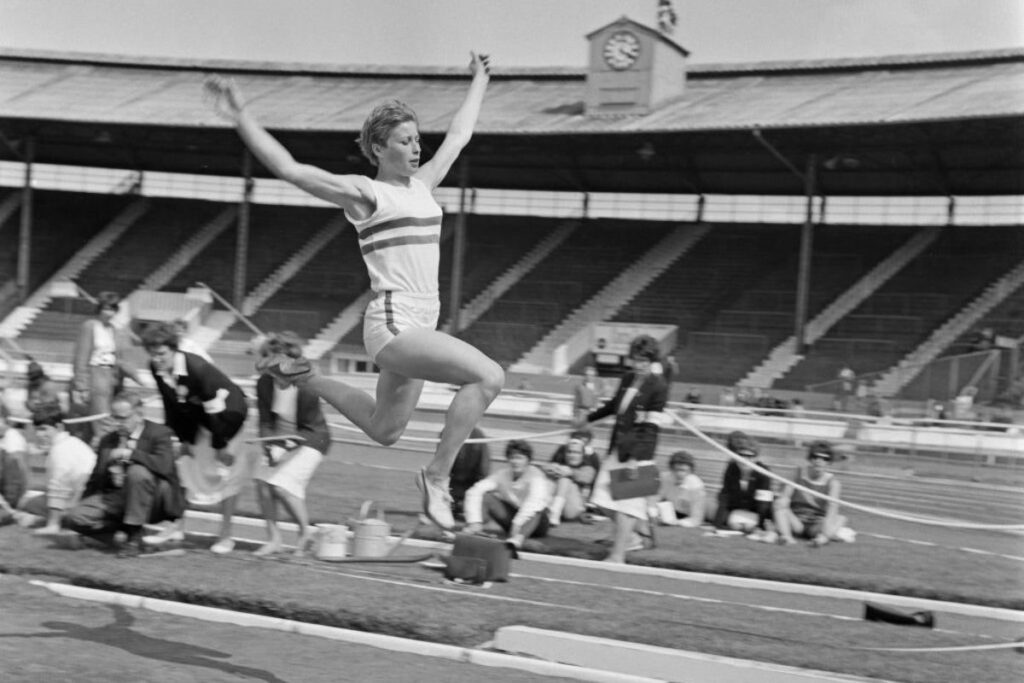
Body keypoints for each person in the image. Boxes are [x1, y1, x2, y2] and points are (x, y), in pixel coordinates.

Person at [204, 52, 503, 532]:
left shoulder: (423, 187)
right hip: (393, 324)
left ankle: (300, 375)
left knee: (386, 429)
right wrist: (242, 116)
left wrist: (481, 80)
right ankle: (437, 477)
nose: (416, 148)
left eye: (417, 139)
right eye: (405, 141)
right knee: (488, 377)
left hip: (420, 324)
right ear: (380, 149)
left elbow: (460, 136)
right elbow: (292, 170)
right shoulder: (366, 194)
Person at [142, 322, 251, 554]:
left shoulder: (196, 367)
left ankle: (226, 536)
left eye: (161, 354)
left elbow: (215, 409)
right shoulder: (156, 367)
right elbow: (170, 405)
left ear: (174, 349)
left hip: (229, 416)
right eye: (152, 354)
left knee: (226, 474)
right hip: (201, 417)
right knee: (182, 467)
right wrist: (181, 439)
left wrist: (222, 444)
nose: (157, 359)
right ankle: (175, 526)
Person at [63, 391, 186, 557]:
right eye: (115, 418)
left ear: (139, 414)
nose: (118, 423)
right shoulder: (107, 440)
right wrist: (81, 509)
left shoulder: (160, 433)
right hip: (116, 498)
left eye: (123, 418)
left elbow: (164, 466)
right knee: (72, 517)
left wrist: (130, 454)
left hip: (154, 498)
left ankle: (133, 539)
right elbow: (95, 479)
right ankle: (122, 537)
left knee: (137, 472)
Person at [581, 335, 670, 563]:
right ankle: (637, 535)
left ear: (651, 360)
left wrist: (636, 458)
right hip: (618, 447)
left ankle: (618, 555)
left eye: (643, 360)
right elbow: (613, 406)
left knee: (626, 505)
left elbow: (651, 428)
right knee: (601, 499)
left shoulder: (659, 386)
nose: (638, 365)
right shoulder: (628, 377)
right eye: (635, 359)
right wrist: (588, 419)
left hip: (638, 453)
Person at [252, 332, 331, 557]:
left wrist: (285, 453)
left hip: (312, 438)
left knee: (281, 485)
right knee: (261, 481)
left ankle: (305, 535)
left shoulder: (306, 387)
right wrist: (269, 449)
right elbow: (265, 421)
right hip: (279, 438)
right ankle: (274, 539)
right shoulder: (264, 383)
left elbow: (307, 427)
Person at [71, 291, 144, 443]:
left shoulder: (115, 330)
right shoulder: (90, 326)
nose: (108, 313)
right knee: (103, 420)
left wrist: (138, 378)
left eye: (111, 309)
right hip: (96, 376)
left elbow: (122, 359)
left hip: (112, 377)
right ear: (99, 309)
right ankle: (106, 447)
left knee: (106, 416)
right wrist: (81, 386)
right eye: (105, 308)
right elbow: (81, 357)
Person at [17, 405, 97, 534]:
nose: (39, 434)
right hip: (82, 495)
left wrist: (52, 525)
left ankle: (54, 522)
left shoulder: (60, 451)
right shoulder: (71, 442)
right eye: (37, 430)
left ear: (59, 427)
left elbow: (59, 487)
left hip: (81, 499)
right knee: (30, 502)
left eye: (44, 429)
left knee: (26, 503)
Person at [463, 440, 552, 548]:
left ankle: (519, 539)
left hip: (537, 523)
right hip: (513, 519)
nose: (515, 462)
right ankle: (474, 531)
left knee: (538, 508)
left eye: (519, 458)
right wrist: (474, 521)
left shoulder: (536, 476)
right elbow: (474, 491)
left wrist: (517, 523)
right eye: (512, 457)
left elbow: (534, 502)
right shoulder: (502, 474)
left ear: (528, 460)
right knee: (486, 497)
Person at [773, 440, 853, 547]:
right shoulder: (797, 473)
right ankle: (787, 537)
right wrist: (783, 501)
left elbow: (832, 509)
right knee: (779, 504)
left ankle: (821, 539)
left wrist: (826, 531)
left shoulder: (833, 483)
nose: (819, 461)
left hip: (817, 525)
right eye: (816, 457)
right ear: (810, 458)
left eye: (824, 458)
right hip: (797, 522)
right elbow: (785, 496)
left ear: (829, 462)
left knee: (840, 518)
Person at [712, 430, 774, 537]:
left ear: (756, 458)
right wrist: (717, 524)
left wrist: (759, 526)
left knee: (748, 526)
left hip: (755, 511)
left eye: (750, 457)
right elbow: (725, 495)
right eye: (742, 455)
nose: (745, 460)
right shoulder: (731, 468)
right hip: (736, 509)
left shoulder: (764, 472)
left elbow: (764, 504)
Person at [542, 428, 600, 526]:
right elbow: (544, 468)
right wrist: (556, 469)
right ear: (565, 453)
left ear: (582, 455)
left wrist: (570, 472)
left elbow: (588, 478)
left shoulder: (588, 468)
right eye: (570, 452)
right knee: (548, 481)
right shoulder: (558, 464)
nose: (572, 455)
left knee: (565, 479)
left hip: (573, 509)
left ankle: (554, 513)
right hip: (560, 505)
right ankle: (546, 511)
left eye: (577, 453)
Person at [448, 426, 490, 521]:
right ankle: (456, 505)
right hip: (454, 484)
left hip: (472, 483)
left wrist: (478, 492)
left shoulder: (477, 434)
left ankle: (462, 505)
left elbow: (484, 467)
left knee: (477, 513)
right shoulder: (447, 432)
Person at [656, 451, 706, 528]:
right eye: (677, 470)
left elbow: (696, 519)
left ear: (690, 471)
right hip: (672, 510)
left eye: (683, 470)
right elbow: (654, 501)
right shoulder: (664, 478)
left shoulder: (696, 486)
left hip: (688, 514)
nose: (680, 474)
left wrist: (677, 523)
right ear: (671, 469)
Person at [0, 407, 28, 526]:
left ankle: (10, 513)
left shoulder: (12, 440)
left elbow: (19, 474)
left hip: (11, 494)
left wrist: (10, 505)